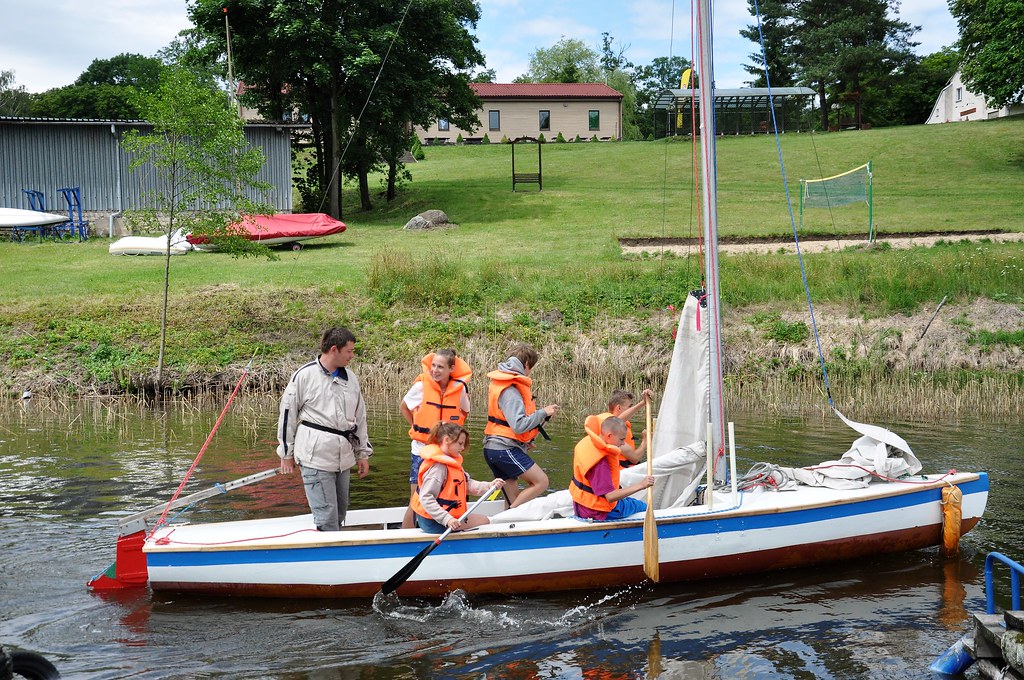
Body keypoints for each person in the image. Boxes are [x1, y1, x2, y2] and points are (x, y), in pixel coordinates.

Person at [276, 327, 372, 531]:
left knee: (340, 513)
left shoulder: (351, 379)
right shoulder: (304, 376)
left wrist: (363, 454)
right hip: (315, 457)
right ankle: (329, 553)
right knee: (326, 516)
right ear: (335, 349)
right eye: (349, 351)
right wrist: (286, 454)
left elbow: (360, 417)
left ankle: (336, 550)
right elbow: (287, 415)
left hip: (343, 458)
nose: (352, 356)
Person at [398, 349, 472, 528]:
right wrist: (416, 426)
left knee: (443, 493)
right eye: (433, 366)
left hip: (445, 452)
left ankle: (436, 527)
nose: (435, 370)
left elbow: (464, 413)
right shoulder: (421, 386)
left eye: (440, 367)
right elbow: (404, 407)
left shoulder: (459, 390)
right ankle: (405, 535)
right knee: (416, 496)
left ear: (451, 369)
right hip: (421, 449)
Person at [482, 343, 559, 509]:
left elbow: (511, 425)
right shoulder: (511, 390)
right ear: (526, 365)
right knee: (541, 481)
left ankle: (507, 524)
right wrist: (543, 412)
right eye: (531, 368)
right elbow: (518, 425)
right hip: (503, 449)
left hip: (495, 448)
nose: (530, 371)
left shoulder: (504, 383)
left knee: (513, 497)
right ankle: (511, 513)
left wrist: (524, 442)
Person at [410, 423, 504, 533]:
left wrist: (489, 486)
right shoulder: (438, 468)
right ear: (446, 440)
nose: (462, 448)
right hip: (434, 521)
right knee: (485, 521)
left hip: (442, 518)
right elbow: (426, 498)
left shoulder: (451, 462)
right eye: (460, 443)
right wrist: (447, 519)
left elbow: (467, 485)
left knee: (484, 520)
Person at [570, 416, 655, 521]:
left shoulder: (588, 442)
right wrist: (642, 485)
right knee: (644, 507)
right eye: (622, 439)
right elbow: (610, 496)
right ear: (609, 436)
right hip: (597, 511)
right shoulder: (600, 462)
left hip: (581, 504)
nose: (623, 443)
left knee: (629, 501)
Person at [588, 388, 654, 468]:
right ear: (618, 408)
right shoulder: (610, 431)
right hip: (620, 473)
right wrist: (645, 441)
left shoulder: (618, 425)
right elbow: (635, 458)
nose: (631, 409)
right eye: (629, 407)